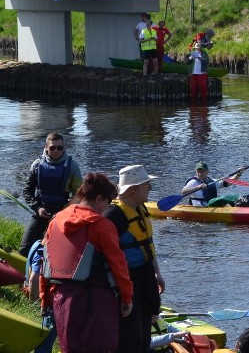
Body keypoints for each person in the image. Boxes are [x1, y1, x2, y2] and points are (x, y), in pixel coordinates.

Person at [40, 173, 133, 353]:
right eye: (109, 202)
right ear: (99, 199)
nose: (108, 207)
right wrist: (127, 297)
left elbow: (47, 262)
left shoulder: (56, 220)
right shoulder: (101, 225)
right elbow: (119, 265)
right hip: (95, 300)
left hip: (62, 298)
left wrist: (45, 298)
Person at [104, 165, 164, 353]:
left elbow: (148, 244)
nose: (150, 189)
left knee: (144, 336)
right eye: (147, 185)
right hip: (126, 281)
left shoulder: (141, 208)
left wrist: (157, 273)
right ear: (133, 189)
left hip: (145, 276)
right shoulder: (113, 215)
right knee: (131, 338)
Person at [19, 132, 84, 256]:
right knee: (24, 249)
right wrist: (37, 208)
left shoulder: (72, 166)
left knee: (60, 252)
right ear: (46, 148)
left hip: (62, 215)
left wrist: (63, 212)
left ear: (64, 148)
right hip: (41, 212)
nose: (56, 151)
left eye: (60, 147)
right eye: (52, 147)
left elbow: (79, 194)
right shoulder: (37, 165)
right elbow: (27, 191)